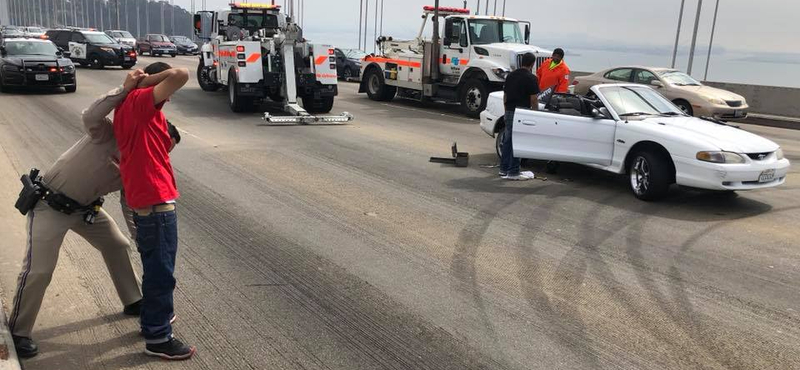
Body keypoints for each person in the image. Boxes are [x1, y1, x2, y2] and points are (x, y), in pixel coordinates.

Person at [9, 71, 151, 358]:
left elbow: (130, 204)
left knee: (117, 244)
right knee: (40, 270)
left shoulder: (138, 160)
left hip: (86, 210)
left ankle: (133, 300)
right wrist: (123, 90)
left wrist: (142, 240)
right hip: (50, 205)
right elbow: (90, 115)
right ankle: (19, 331)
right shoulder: (108, 133)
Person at [113, 62, 195, 360]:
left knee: (155, 268)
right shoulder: (138, 103)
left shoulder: (134, 109)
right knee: (161, 272)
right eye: (163, 94)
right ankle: (158, 336)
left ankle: (154, 320)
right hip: (154, 204)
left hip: (148, 202)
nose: (168, 98)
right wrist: (144, 81)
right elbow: (181, 74)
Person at [500, 52, 540, 181]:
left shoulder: (510, 76)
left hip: (509, 110)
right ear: (532, 64)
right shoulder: (531, 78)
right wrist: (535, 114)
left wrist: (506, 110)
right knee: (516, 142)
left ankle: (504, 169)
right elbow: (534, 99)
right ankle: (513, 171)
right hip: (521, 113)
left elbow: (505, 95)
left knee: (507, 141)